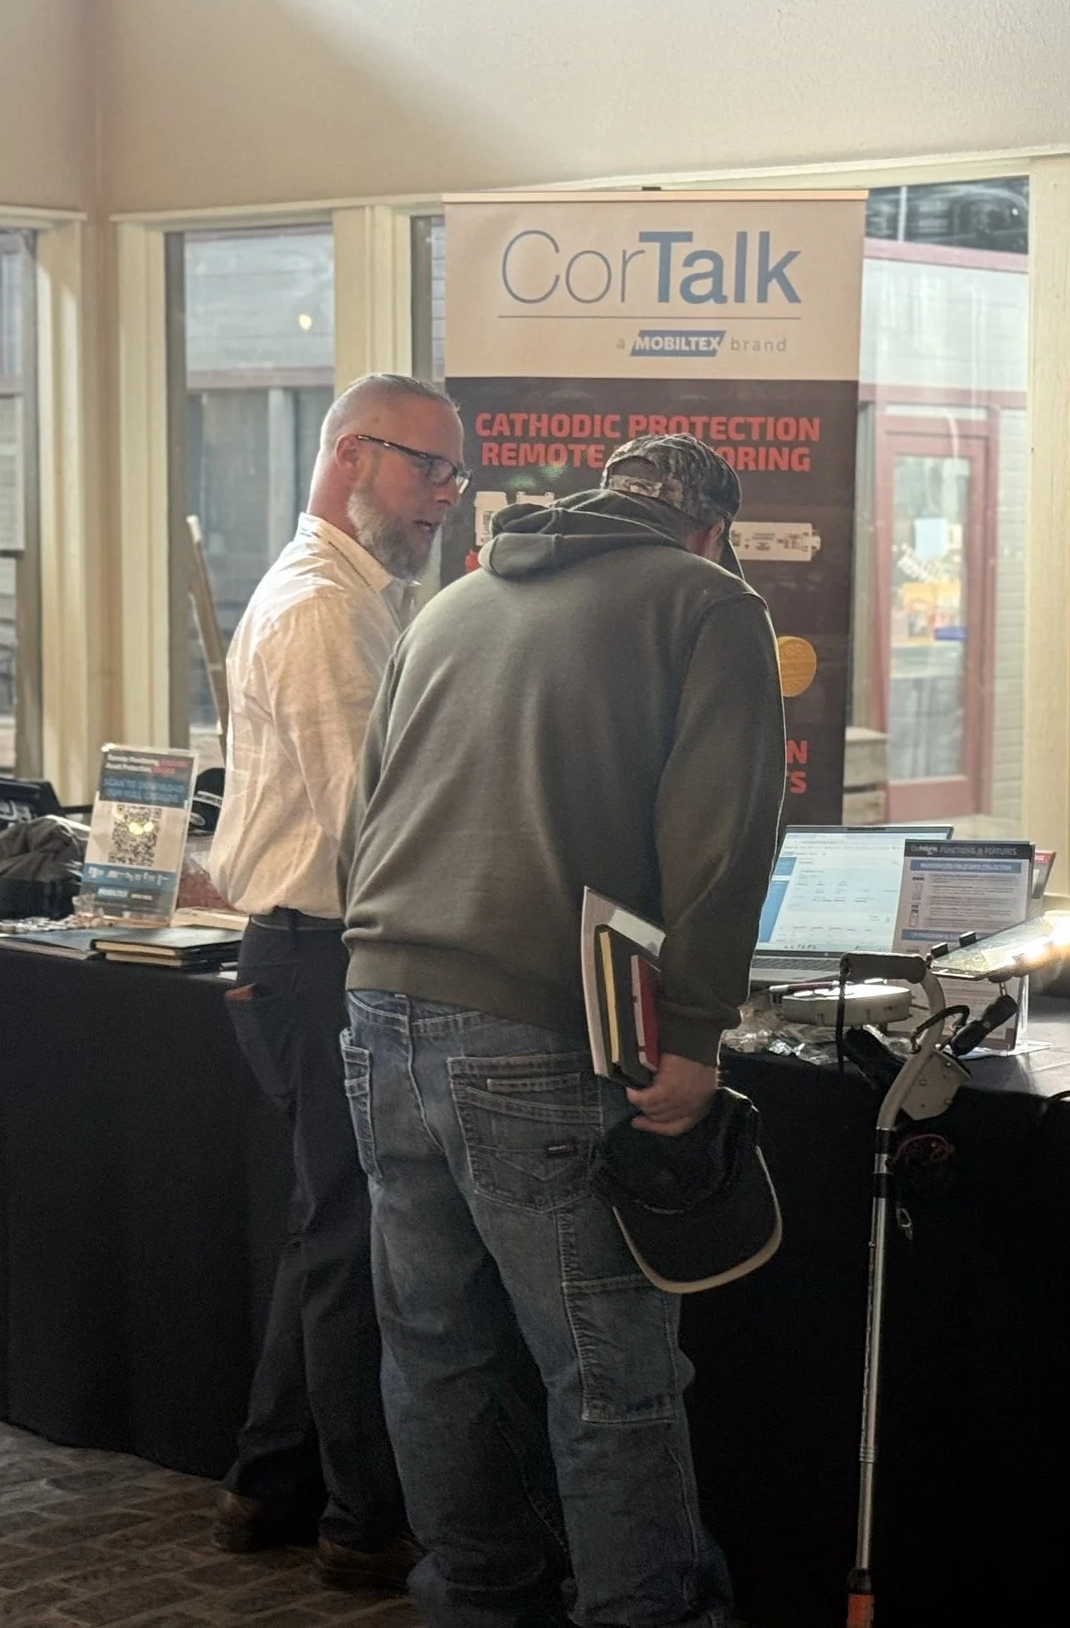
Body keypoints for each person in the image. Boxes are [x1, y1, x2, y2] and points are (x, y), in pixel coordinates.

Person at [338, 433, 786, 1628]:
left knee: (434, 1349)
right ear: (708, 531)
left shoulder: (456, 599)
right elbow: (722, 838)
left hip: (378, 1008)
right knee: (608, 1371)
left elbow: (364, 811)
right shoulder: (708, 603)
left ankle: (477, 1597)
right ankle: (647, 1613)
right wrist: (692, 1035)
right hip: (537, 1030)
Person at [203, 371, 467, 1589]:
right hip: (323, 956)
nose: (444, 500)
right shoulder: (322, 608)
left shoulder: (362, 596)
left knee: (329, 1225)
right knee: (357, 1235)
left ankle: (265, 1484)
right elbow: (377, 826)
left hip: (316, 953)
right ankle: (362, 1522)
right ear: (352, 457)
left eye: (451, 475)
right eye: (428, 469)